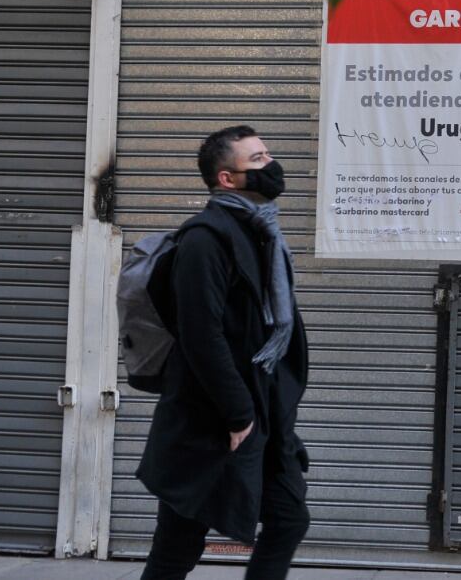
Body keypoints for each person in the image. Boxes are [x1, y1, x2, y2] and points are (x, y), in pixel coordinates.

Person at [136, 125, 310, 580]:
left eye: (268, 154)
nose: (270, 166)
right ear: (226, 179)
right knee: (178, 545)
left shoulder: (260, 233)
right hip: (214, 417)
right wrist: (238, 416)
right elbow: (200, 334)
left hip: (261, 408)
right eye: (256, 160)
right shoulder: (205, 240)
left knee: (288, 519)